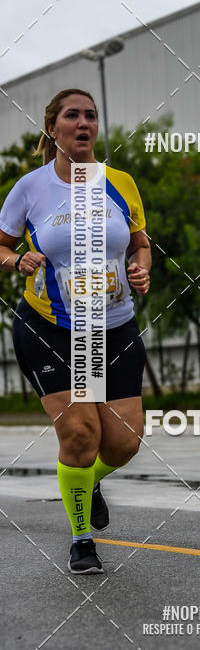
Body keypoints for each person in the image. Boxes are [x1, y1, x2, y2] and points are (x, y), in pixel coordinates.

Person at [0, 88, 150, 574]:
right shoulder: (30, 188)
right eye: (72, 116)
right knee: (80, 433)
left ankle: (86, 479)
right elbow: (0, 246)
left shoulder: (120, 183)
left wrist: (140, 268)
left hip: (114, 326)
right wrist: (16, 259)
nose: (83, 123)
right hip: (52, 327)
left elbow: (140, 244)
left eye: (91, 115)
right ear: (53, 129)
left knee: (123, 443)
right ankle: (81, 538)